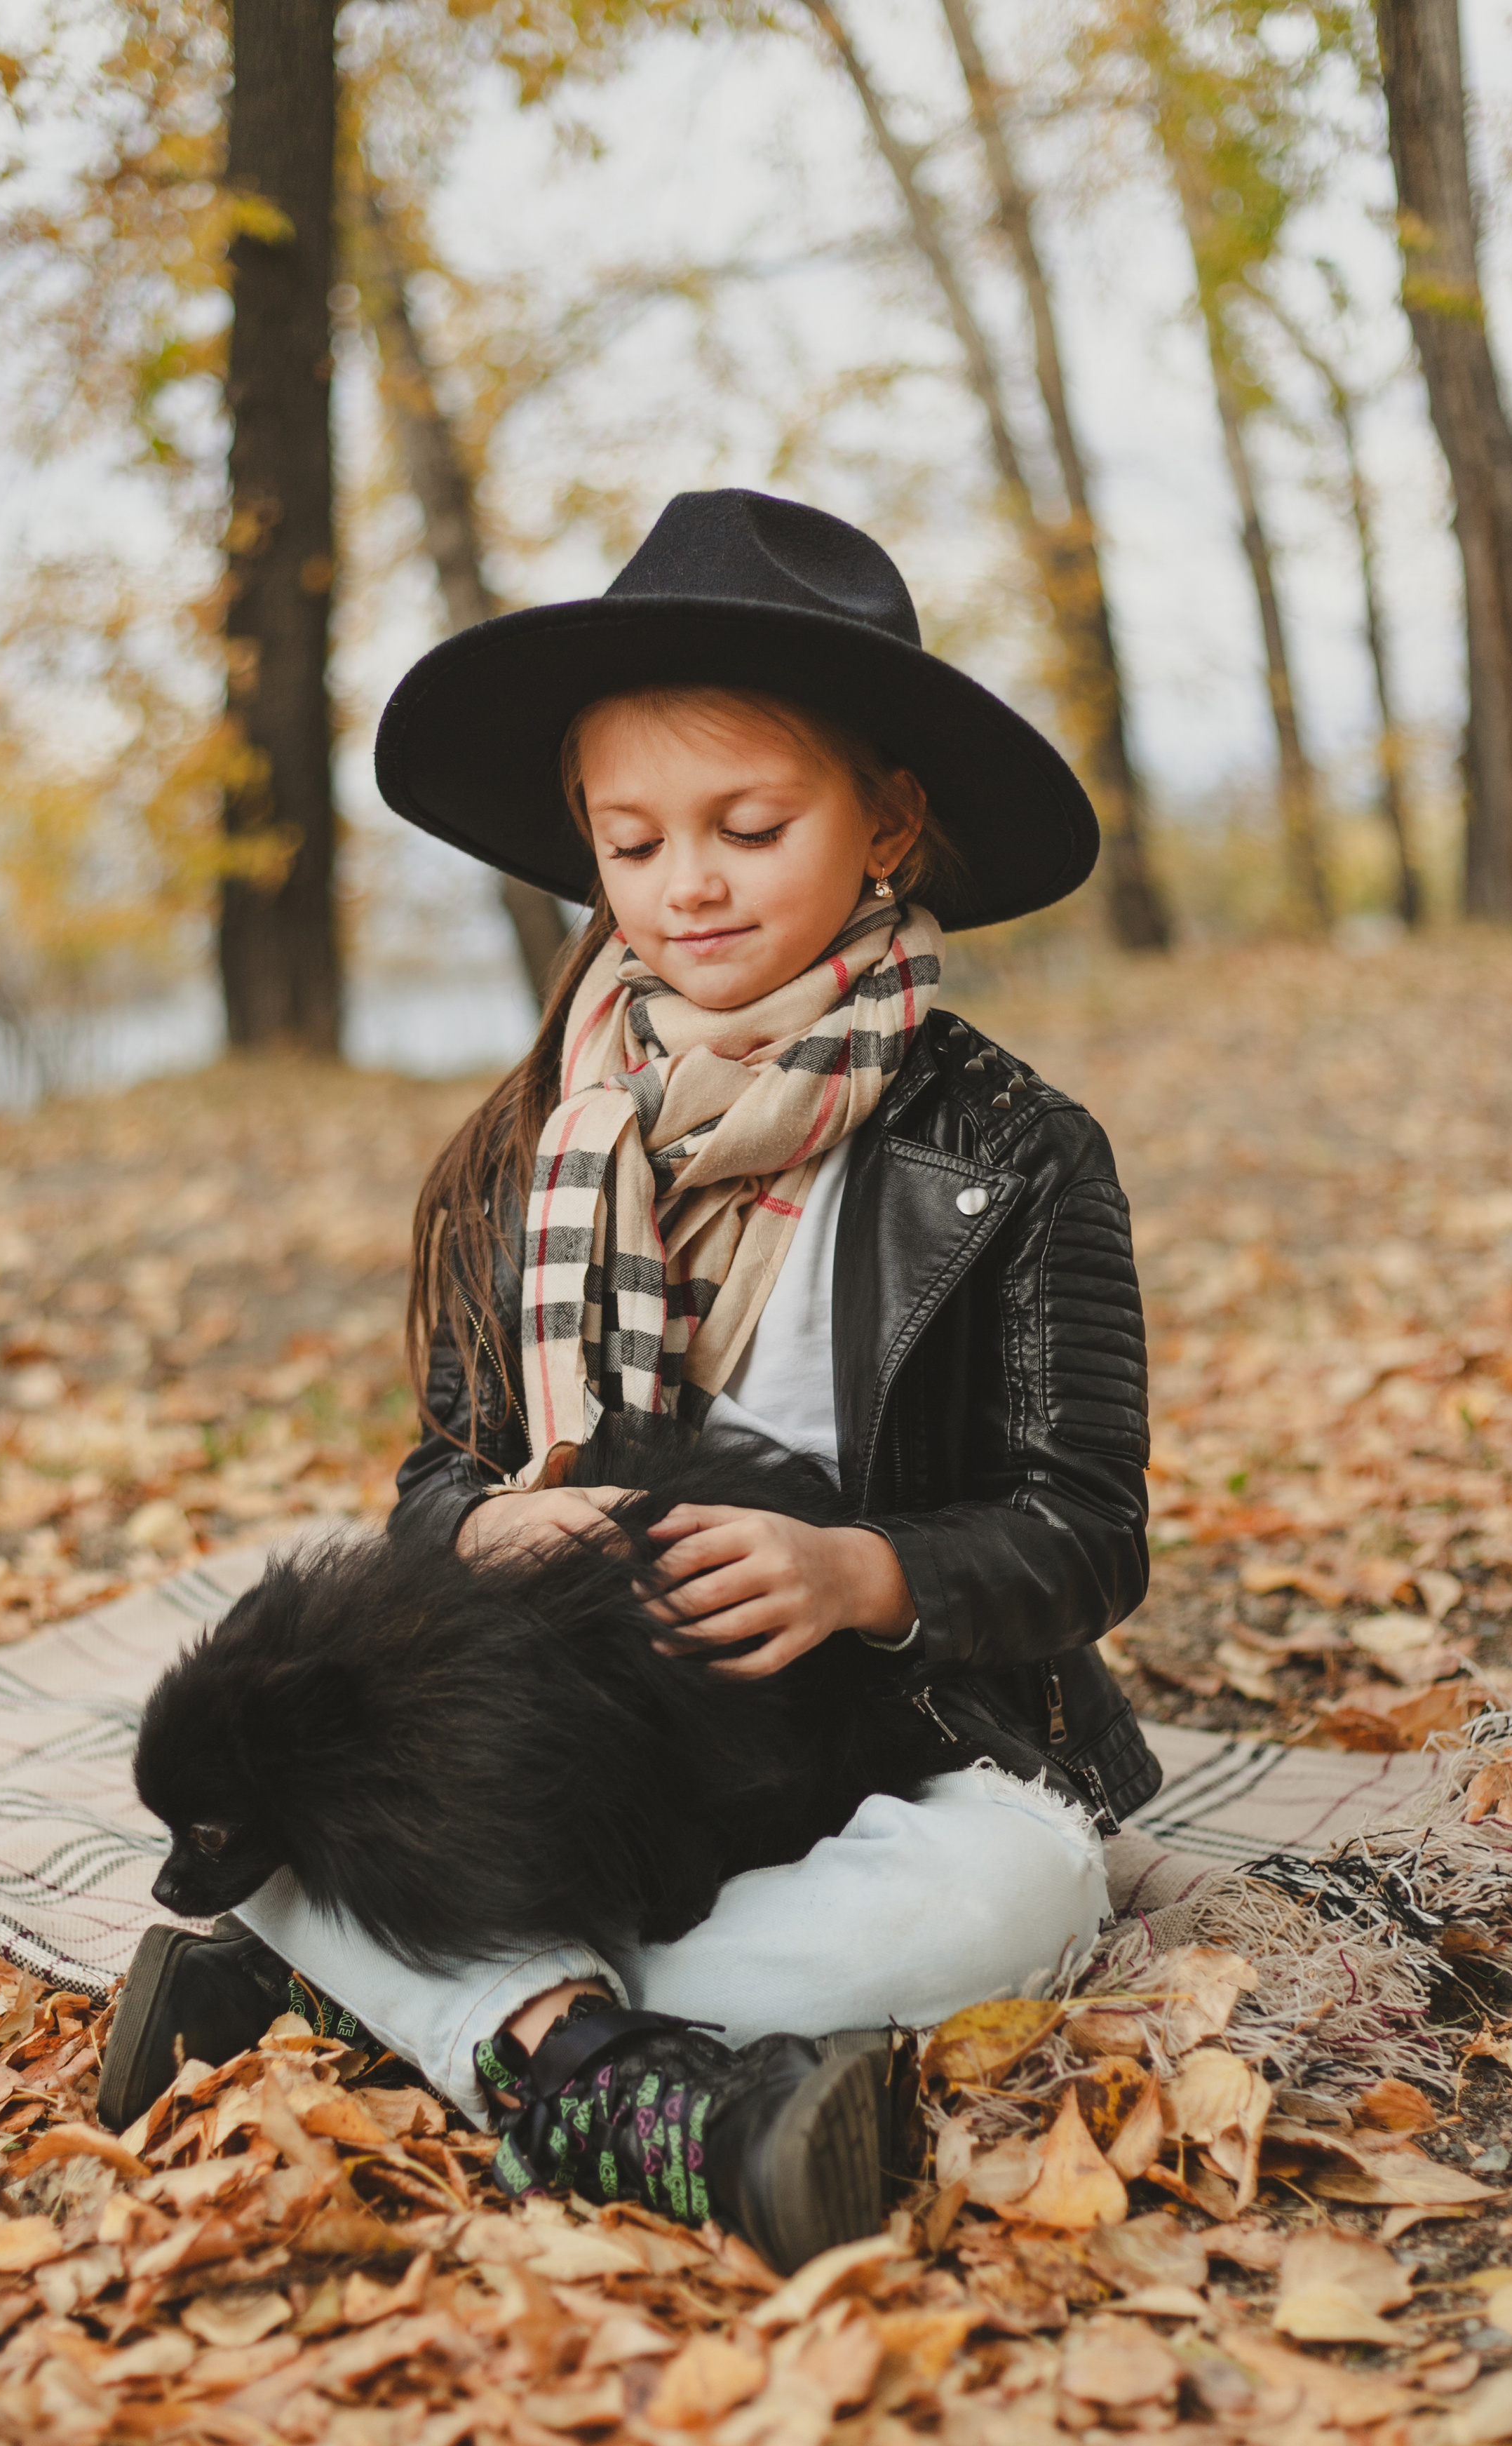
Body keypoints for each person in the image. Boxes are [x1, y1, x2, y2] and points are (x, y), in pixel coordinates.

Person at [100, 490, 1159, 2272]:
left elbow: (1084, 1529)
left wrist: (863, 1574)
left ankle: (427, 2013)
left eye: (749, 825)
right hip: (612, 1719)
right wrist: (502, 1522)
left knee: (1011, 1896)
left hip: (911, 1732)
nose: (691, 883)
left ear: (887, 819)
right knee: (249, 1750)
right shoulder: (526, 1147)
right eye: (634, 840)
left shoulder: (1012, 1148)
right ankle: (614, 2078)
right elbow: (439, 1472)